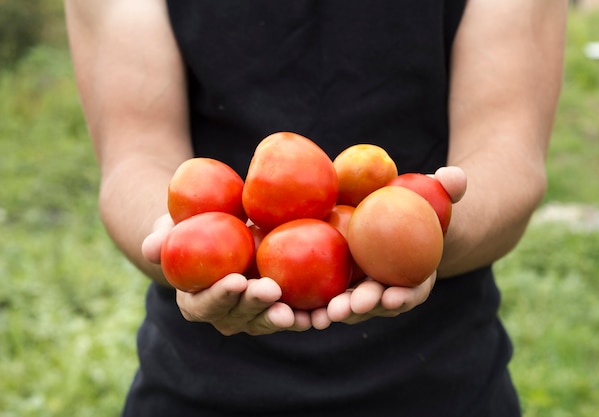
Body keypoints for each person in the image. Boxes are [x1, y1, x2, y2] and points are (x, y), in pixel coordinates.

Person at [64, 0, 568, 415]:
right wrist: (183, 246)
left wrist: (414, 237)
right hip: (197, 386)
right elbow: (134, 158)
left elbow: (511, 157)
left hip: (443, 379)